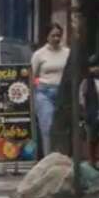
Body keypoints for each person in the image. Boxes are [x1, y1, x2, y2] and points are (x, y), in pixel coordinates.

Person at [31, 23, 70, 156]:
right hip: (44, 93)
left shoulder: (67, 52)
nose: (56, 38)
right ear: (47, 36)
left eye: (58, 35)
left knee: (62, 127)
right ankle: (49, 158)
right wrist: (37, 89)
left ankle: (62, 157)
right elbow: (32, 76)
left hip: (63, 93)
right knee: (47, 126)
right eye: (53, 35)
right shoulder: (39, 54)